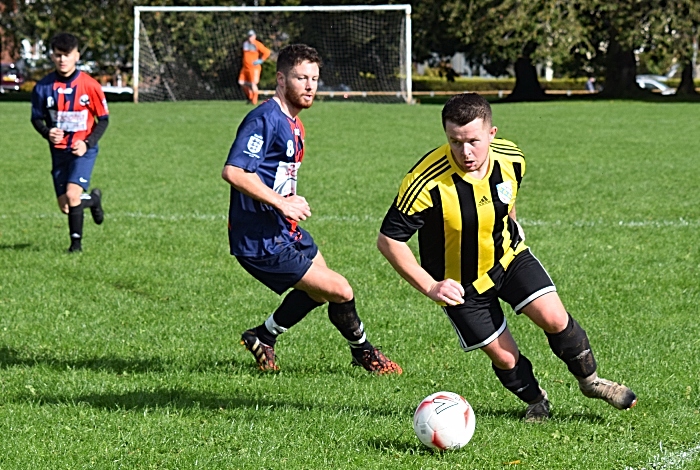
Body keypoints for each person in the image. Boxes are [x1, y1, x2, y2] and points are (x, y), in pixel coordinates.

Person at [377, 93, 636, 421]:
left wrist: (512, 219)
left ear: (492, 134)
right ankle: (536, 400)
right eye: (455, 142)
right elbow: (389, 240)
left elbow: (507, 195)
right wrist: (431, 287)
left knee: (556, 318)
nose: (465, 152)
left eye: (473, 141)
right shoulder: (424, 182)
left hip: (509, 259)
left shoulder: (512, 158)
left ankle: (591, 382)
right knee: (505, 357)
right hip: (461, 285)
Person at [222, 44, 402, 375]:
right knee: (340, 289)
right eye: (301, 77)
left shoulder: (294, 123)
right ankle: (364, 352)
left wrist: (287, 201)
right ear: (280, 78)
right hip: (260, 237)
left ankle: (263, 336)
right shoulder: (264, 119)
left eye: (315, 79)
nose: (309, 86)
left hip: (283, 229)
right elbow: (234, 172)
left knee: (322, 291)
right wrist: (282, 202)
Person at [31, 32, 108, 253]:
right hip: (59, 152)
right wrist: (47, 132)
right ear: (52, 57)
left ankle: (75, 246)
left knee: (73, 195)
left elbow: (103, 120)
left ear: (77, 56)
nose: (62, 60)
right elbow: (36, 118)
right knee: (66, 205)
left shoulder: (90, 86)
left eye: (67, 55)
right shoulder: (43, 87)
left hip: (84, 149)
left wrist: (87, 142)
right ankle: (93, 200)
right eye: (58, 55)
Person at [238, 30, 271, 105]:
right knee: (241, 82)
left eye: (251, 36)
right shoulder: (245, 44)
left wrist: (261, 60)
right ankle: (250, 95)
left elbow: (267, 52)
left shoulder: (257, 44)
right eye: (249, 36)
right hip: (245, 67)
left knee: (253, 84)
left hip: (254, 68)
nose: (250, 38)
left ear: (254, 36)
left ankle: (254, 100)